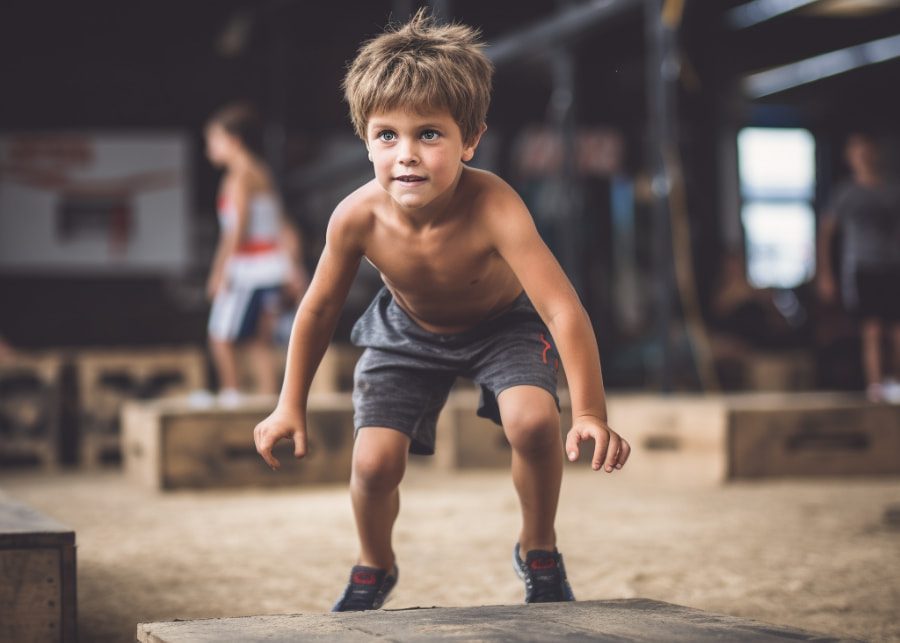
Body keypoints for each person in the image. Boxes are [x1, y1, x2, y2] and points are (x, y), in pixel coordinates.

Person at [253, 11, 630, 611]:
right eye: (387, 136)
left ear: (470, 139)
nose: (407, 155)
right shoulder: (356, 216)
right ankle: (374, 564)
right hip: (404, 332)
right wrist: (288, 403)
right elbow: (319, 308)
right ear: (365, 138)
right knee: (374, 464)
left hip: (501, 326)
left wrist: (588, 410)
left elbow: (561, 309)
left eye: (430, 134)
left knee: (533, 423)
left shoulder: (495, 206)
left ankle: (539, 549)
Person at [204, 103, 306, 404]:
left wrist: (219, 272)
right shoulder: (261, 171)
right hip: (271, 266)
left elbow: (237, 230)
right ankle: (269, 401)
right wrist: (292, 266)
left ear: (233, 140)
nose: (210, 148)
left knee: (220, 337)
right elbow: (283, 225)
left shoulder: (241, 176)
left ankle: (231, 397)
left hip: (250, 267)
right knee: (258, 342)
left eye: (214, 140)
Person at [818, 133, 900, 403]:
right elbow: (826, 233)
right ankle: (876, 387)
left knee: (896, 331)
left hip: (892, 265)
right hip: (863, 267)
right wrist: (826, 274)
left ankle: (896, 383)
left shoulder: (891, 190)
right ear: (849, 157)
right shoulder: (846, 194)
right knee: (873, 328)